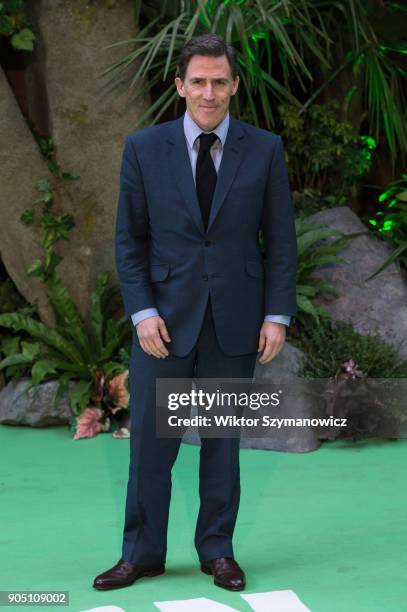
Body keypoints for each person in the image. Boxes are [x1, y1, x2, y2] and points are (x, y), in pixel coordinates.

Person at [93, 32, 297, 592]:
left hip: (236, 321)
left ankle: (218, 552)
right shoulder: (143, 148)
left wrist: (276, 315)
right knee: (150, 450)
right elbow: (129, 241)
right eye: (199, 81)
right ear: (180, 85)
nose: (209, 92)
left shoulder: (265, 149)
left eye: (220, 82)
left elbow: (280, 239)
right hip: (162, 324)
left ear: (235, 85)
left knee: (222, 444)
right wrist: (141, 313)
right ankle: (141, 554)